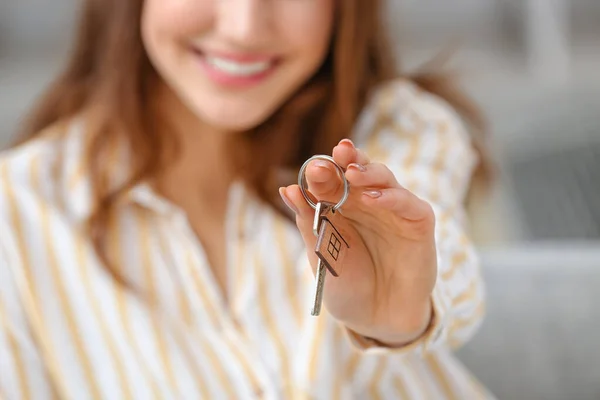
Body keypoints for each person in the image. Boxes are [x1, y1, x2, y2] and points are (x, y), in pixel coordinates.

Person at [0, 0, 495, 398]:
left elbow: (447, 262)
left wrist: (401, 313)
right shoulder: (16, 216)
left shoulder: (400, 129)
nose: (243, 26)